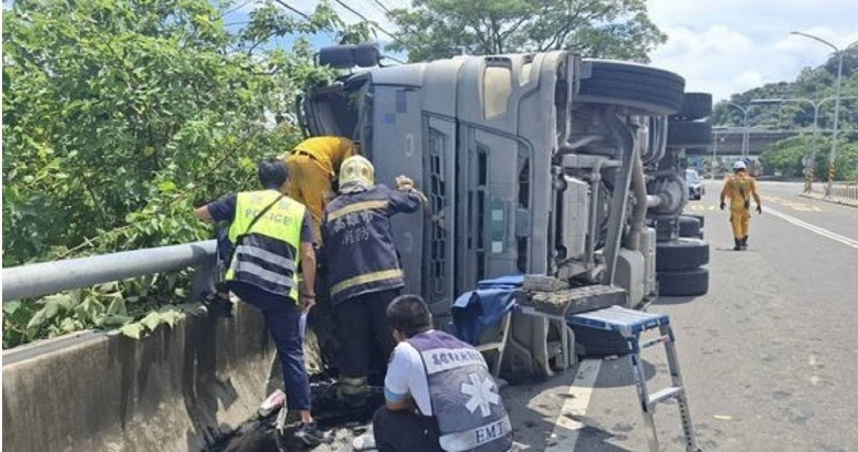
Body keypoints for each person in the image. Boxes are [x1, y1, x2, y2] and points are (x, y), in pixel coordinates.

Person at [194, 158, 323, 446]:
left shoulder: (241, 200)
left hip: (244, 282)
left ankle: (223, 296)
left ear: (260, 180)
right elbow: (309, 255)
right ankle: (305, 422)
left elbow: (201, 214)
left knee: (224, 231)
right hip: (279, 292)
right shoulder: (298, 211)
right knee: (292, 354)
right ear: (287, 182)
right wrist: (309, 293)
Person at [320, 155, 425, 405]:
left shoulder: (330, 211)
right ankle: (402, 394)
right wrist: (406, 187)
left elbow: (327, 249)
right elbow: (412, 203)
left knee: (353, 342)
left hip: (346, 291)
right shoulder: (380, 195)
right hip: (383, 283)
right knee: (392, 339)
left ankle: (354, 397)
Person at [372, 295, 513, 452]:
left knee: (384, 418)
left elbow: (394, 404)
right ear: (430, 319)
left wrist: (416, 401)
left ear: (397, 333)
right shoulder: (468, 348)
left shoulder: (406, 351)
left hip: (454, 448)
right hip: (501, 444)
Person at [285, 136, 358, 242]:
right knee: (320, 211)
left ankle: (297, 244)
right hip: (311, 163)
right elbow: (348, 170)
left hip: (291, 160)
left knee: (297, 208)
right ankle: (321, 246)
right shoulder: (351, 146)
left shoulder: (331, 142)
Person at [720, 160, 762, 251]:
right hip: (746, 205)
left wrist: (722, 201)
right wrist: (759, 204)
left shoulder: (731, 180)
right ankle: (744, 241)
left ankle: (738, 243)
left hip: (735, 205)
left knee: (736, 224)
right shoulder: (750, 180)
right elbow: (755, 194)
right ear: (744, 169)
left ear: (735, 170)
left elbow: (723, 192)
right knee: (745, 223)